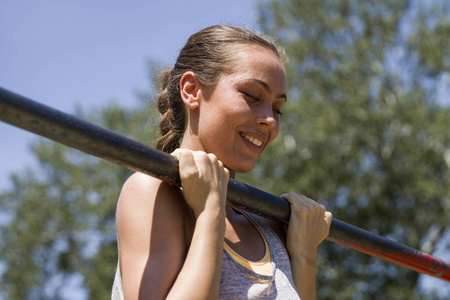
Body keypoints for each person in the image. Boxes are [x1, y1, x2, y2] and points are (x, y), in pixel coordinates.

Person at [112, 25, 332, 300]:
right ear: (191, 90)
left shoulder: (271, 225)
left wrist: (304, 255)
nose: (270, 120)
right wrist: (209, 212)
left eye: (277, 108)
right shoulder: (152, 192)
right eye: (252, 96)